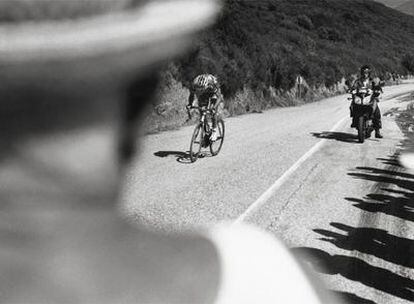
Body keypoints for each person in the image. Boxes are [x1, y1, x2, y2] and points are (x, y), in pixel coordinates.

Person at [0, 0, 328, 303]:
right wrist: (190, 110)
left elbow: (210, 100)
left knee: (211, 116)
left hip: (215, 103)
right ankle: (200, 128)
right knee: (200, 114)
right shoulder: (268, 278)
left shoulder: (211, 87)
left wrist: (209, 110)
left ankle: (212, 131)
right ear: (140, 101)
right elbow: (192, 100)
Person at [187, 73, 223, 141]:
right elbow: (191, 95)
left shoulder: (212, 83)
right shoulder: (194, 84)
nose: (200, 90)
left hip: (212, 92)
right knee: (202, 110)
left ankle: (214, 131)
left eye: (202, 89)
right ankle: (206, 129)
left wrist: (214, 107)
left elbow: (219, 98)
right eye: (199, 89)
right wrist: (190, 104)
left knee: (213, 111)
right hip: (204, 94)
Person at [350, 65, 383, 138]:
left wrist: (377, 90)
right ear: (362, 73)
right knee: (352, 105)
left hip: (370, 99)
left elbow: (377, 87)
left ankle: (377, 131)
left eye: (367, 72)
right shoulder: (358, 81)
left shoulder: (372, 81)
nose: (365, 74)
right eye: (364, 72)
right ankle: (354, 120)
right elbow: (353, 87)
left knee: (377, 112)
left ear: (369, 73)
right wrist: (352, 90)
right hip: (360, 99)